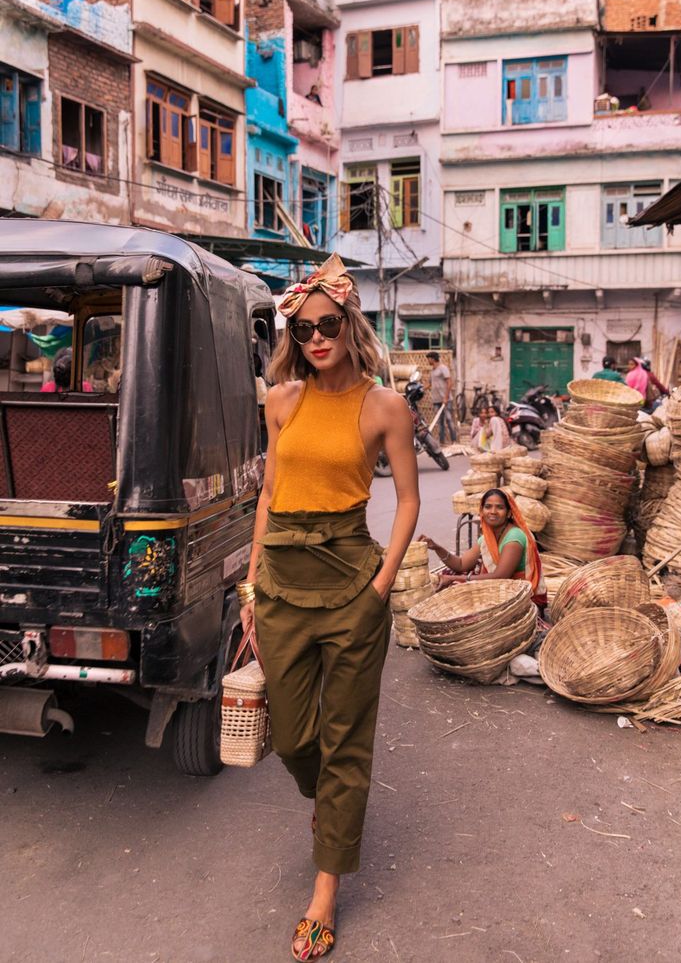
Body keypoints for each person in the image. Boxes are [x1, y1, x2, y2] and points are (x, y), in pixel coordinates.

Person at [238, 252, 419, 961]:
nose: (316, 338)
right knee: (292, 736)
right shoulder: (281, 399)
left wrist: (381, 588)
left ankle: (324, 891)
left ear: (349, 324)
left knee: (345, 739)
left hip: (351, 580)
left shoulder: (385, 406)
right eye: (304, 327)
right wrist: (250, 587)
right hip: (281, 579)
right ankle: (332, 804)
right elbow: (268, 496)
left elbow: (406, 502)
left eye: (327, 325)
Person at [420, 487, 547, 608]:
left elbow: (500, 576)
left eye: (500, 507)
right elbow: (461, 564)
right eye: (488, 507)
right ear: (482, 511)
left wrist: (454, 579)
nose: (492, 511)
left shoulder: (514, 537)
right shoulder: (487, 538)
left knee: (456, 586)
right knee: (449, 579)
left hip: (522, 597)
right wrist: (436, 547)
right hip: (501, 589)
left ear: (508, 513)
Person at [427, 351, 457, 445]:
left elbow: (449, 382)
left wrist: (446, 397)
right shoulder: (432, 371)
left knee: (449, 419)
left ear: (432, 358)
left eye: (428, 358)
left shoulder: (443, 368)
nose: (428, 360)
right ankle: (442, 442)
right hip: (436, 400)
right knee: (440, 422)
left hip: (445, 400)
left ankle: (454, 441)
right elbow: (429, 384)